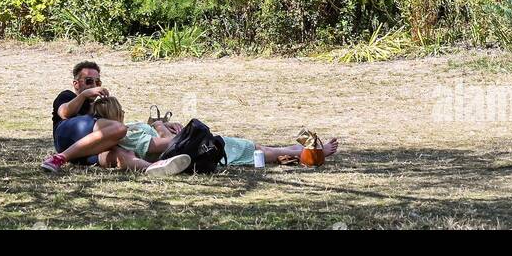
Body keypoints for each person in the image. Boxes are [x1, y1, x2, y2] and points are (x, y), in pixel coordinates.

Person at [88, 95, 340, 167]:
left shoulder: (123, 133)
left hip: (192, 145)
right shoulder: (128, 135)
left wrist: (165, 125)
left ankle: (303, 148)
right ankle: (311, 153)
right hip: (195, 150)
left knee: (258, 148)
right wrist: (160, 126)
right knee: (255, 150)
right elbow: (166, 145)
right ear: (117, 115)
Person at [41, 61, 191, 177]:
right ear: (76, 84)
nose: (94, 85)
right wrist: (85, 94)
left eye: (97, 82)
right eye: (89, 81)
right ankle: (59, 158)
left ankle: (154, 167)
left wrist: (161, 125)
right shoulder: (67, 96)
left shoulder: (98, 106)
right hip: (66, 137)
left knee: (122, 154)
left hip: (84, 151)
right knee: (120, 129)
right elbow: (64, 113)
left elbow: (117, 126)